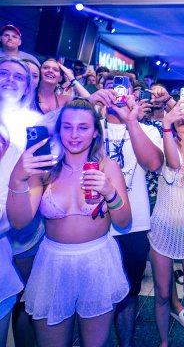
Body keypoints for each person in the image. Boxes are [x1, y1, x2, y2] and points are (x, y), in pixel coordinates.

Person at [7, 98, 131, 347]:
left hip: (97, 260)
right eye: (67, 126)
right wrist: (17, 178)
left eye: (83, 127)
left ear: (95, 132)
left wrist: (110, 192)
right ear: (58, 129)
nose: (74, 135)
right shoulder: (45, 168)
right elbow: (19, 222)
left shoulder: (107, 167)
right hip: (53, 263)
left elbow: (124, 221)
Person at [102, 74, 164, 347]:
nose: (116, 93)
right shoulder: (90, 125)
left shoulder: (146, 129)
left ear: (132, 94)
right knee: (96, 295)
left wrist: (132, 121)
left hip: (133, 225)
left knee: (129, 293)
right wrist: (92, 104)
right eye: (110, 88)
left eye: (122, 89)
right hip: (94, 226)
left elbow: (153, 164)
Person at [149, 99, 184, 347]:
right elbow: (172, 164)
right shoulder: (161, 142)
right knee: (162, 293)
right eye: (179, 112)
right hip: (162, 229)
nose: (183, 116)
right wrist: (166, 125)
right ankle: (164, 341)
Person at [0, 57, 37, 347]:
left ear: (27, 87)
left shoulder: (33, 128)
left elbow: (39, 178)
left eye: (18, 76)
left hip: (17, 232)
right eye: (3, 73)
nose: (10, 79)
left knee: (21, 305)